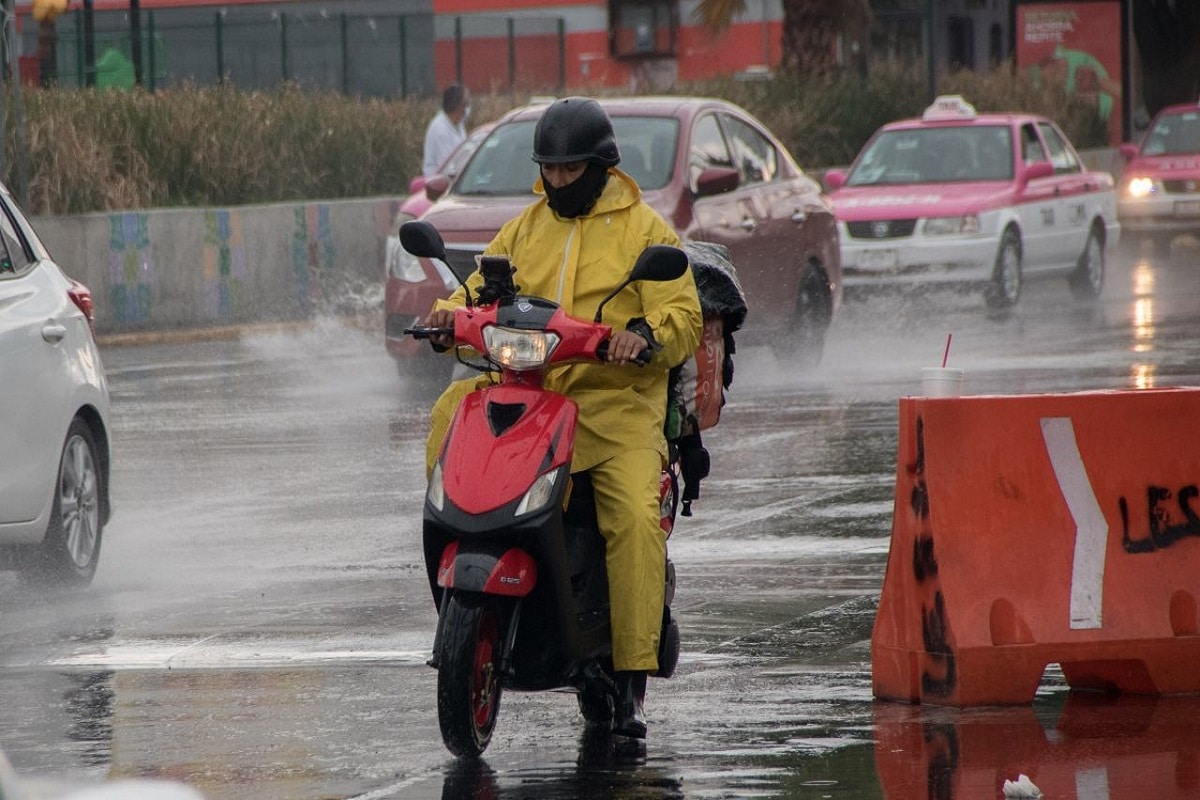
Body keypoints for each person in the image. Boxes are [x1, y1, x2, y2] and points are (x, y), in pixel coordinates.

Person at [422, 96, 702, 739]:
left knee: (632, 516)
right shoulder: (525, 229)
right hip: (531, 393)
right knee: (449, 413)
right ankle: (464, 598)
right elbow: (477, 291)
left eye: (570, 171)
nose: (557, 182)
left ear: (602, 166)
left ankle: (631, 675)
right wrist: (446, 314)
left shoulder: (647, 233)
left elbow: (682, 315)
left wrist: (644, 335)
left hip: (615, 408)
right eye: (549, 170)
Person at [422, 84, 470, 178]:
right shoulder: (440, 129)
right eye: (466, 104)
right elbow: (448, 167)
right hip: (438, 182)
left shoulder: (458, 124)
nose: (467, 109)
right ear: (458, 106)